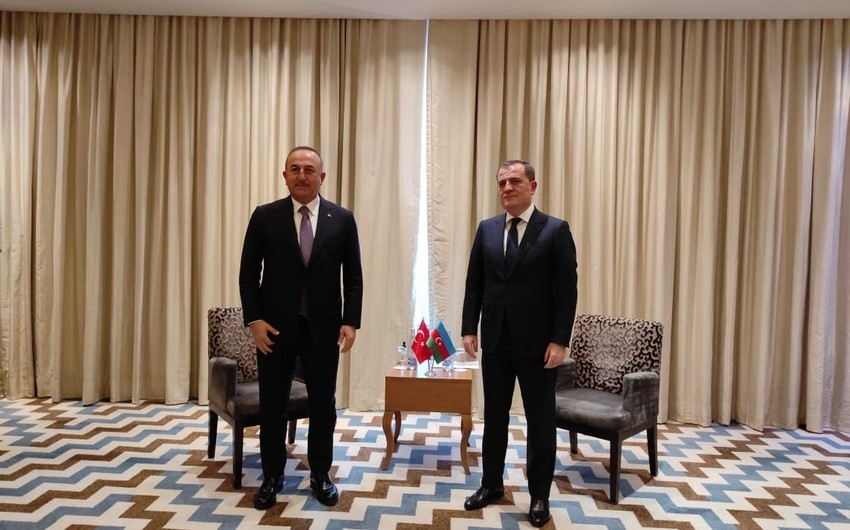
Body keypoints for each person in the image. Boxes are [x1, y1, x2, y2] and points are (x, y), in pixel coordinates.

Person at [239, 146, 363, 510]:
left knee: (324, 405)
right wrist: (254, 320)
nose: (302, 175)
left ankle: (320, 474)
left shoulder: (342, 219)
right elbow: (248, 274)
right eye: (294, 169)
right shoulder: (265, 216)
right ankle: (272, 476)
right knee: (272, 405)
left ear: (321, 177)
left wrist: (350, 321)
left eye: (309, 169)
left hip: (323, 329)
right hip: (274, 331)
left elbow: (354, 277)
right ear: (285, 175)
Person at [461, 159, 577, 528]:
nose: (507, 188)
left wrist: (559, 340)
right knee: (494, 417)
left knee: (540, 421)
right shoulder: (488, 228)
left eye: (514, 181)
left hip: (539, 346)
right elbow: (475, 283)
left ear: (533, 186)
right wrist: (469, 328)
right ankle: (491, 484)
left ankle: (539, 494)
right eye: (502, 183)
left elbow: (566, 292)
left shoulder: (555, 230)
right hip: (495, 341)